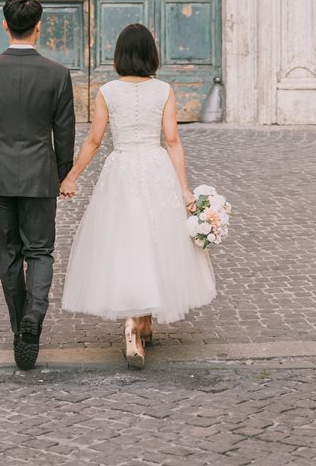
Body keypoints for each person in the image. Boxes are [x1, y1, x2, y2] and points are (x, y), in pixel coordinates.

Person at [59, 23, 215, 367]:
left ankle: (137, 323)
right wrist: (185, 188)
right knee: (156, 242)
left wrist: (71, 176)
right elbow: (173, 140)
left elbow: (94, 141)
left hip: (122, 169)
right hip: (156, 169)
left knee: (126, 243)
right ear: (151, 55)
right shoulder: (164, 90)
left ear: (119, 56)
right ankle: (140, 319)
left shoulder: (108, 92)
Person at [0, 0, 76, 370]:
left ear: (4, 25)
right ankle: (35, 316)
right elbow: (65, 134)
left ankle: (19, 328)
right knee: (40, 251)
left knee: (8, 253)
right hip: (39, 175)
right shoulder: (58, 75)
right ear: (39, 27)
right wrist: (61, 173)